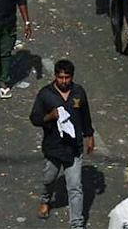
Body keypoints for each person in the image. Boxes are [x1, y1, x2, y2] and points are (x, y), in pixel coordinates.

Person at [30, 59, 95, 226]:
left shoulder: (79, 92)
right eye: (60, 77)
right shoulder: (45, 95)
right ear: (55, 77)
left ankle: (77, 223)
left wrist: (90, 136)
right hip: (53, 148)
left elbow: (85, 115)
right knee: (49, 178)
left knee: (75, 188)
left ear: (72, 77)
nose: (64, 81)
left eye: (67, 77)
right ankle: (46, 200)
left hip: (74, 148)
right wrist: (49, 117)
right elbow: (35, 118)